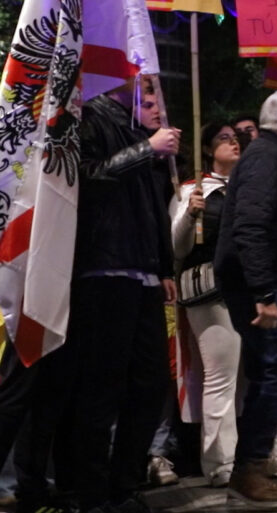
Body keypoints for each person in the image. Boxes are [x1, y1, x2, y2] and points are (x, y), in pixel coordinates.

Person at [19, 76, 180, 513]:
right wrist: (146, 150)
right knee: (100, 387)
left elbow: (154, 211)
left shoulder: (142, 134)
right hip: (104, 270)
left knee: (150, 387)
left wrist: (164, 265)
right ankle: (90, 489)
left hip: (143, 273)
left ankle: (124, 483)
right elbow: (83, 178)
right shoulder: (90, 117)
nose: (153, 101)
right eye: (145, 91)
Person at [214, 90, 277, 508]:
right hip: (254, 283)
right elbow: (250, 225)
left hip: (263, 280)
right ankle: (250, 467)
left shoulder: (276, 158)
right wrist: (263, 293)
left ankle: (248, 471)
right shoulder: (265, 158)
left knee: (269, 371)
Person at [170, 122, 243, 487]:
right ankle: (220, 463)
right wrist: (190, 215)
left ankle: (266, 456)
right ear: (208, 149)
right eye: (224, 139)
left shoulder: (248, 188)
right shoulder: (192, 191)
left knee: (260, 374)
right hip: (210, 290)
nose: (233, 143)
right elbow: (176, 248)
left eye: (236, 138)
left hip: (249, 288)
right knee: (220, 377)